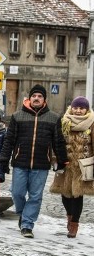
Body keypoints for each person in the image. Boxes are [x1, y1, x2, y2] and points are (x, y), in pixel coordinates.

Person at [0, 84, 69, 238]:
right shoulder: (18, 116)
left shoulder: (53, 117)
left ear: (44, 99)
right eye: (34, 96)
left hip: (41, 164)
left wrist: (63, 160)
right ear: (29, 98)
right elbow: (9, 140)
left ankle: (27, 225)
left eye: (40, 96)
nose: (36, 98)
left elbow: (58, 141)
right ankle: (23, 214)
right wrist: (3, 160)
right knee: (17, 193)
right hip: (20, 162)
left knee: (35, 196)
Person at [49, 96, 94, 238]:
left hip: (82, 166)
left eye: (81, 108)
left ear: (86, 109)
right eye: (76, 107)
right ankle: (69, 216)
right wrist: (55, 159)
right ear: (71, 108)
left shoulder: (91, 123)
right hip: (65, 164)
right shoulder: (64, 121)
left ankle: (74, 224)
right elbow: (56, 141)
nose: (78, 111)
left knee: (77, 195)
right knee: (64, 195)